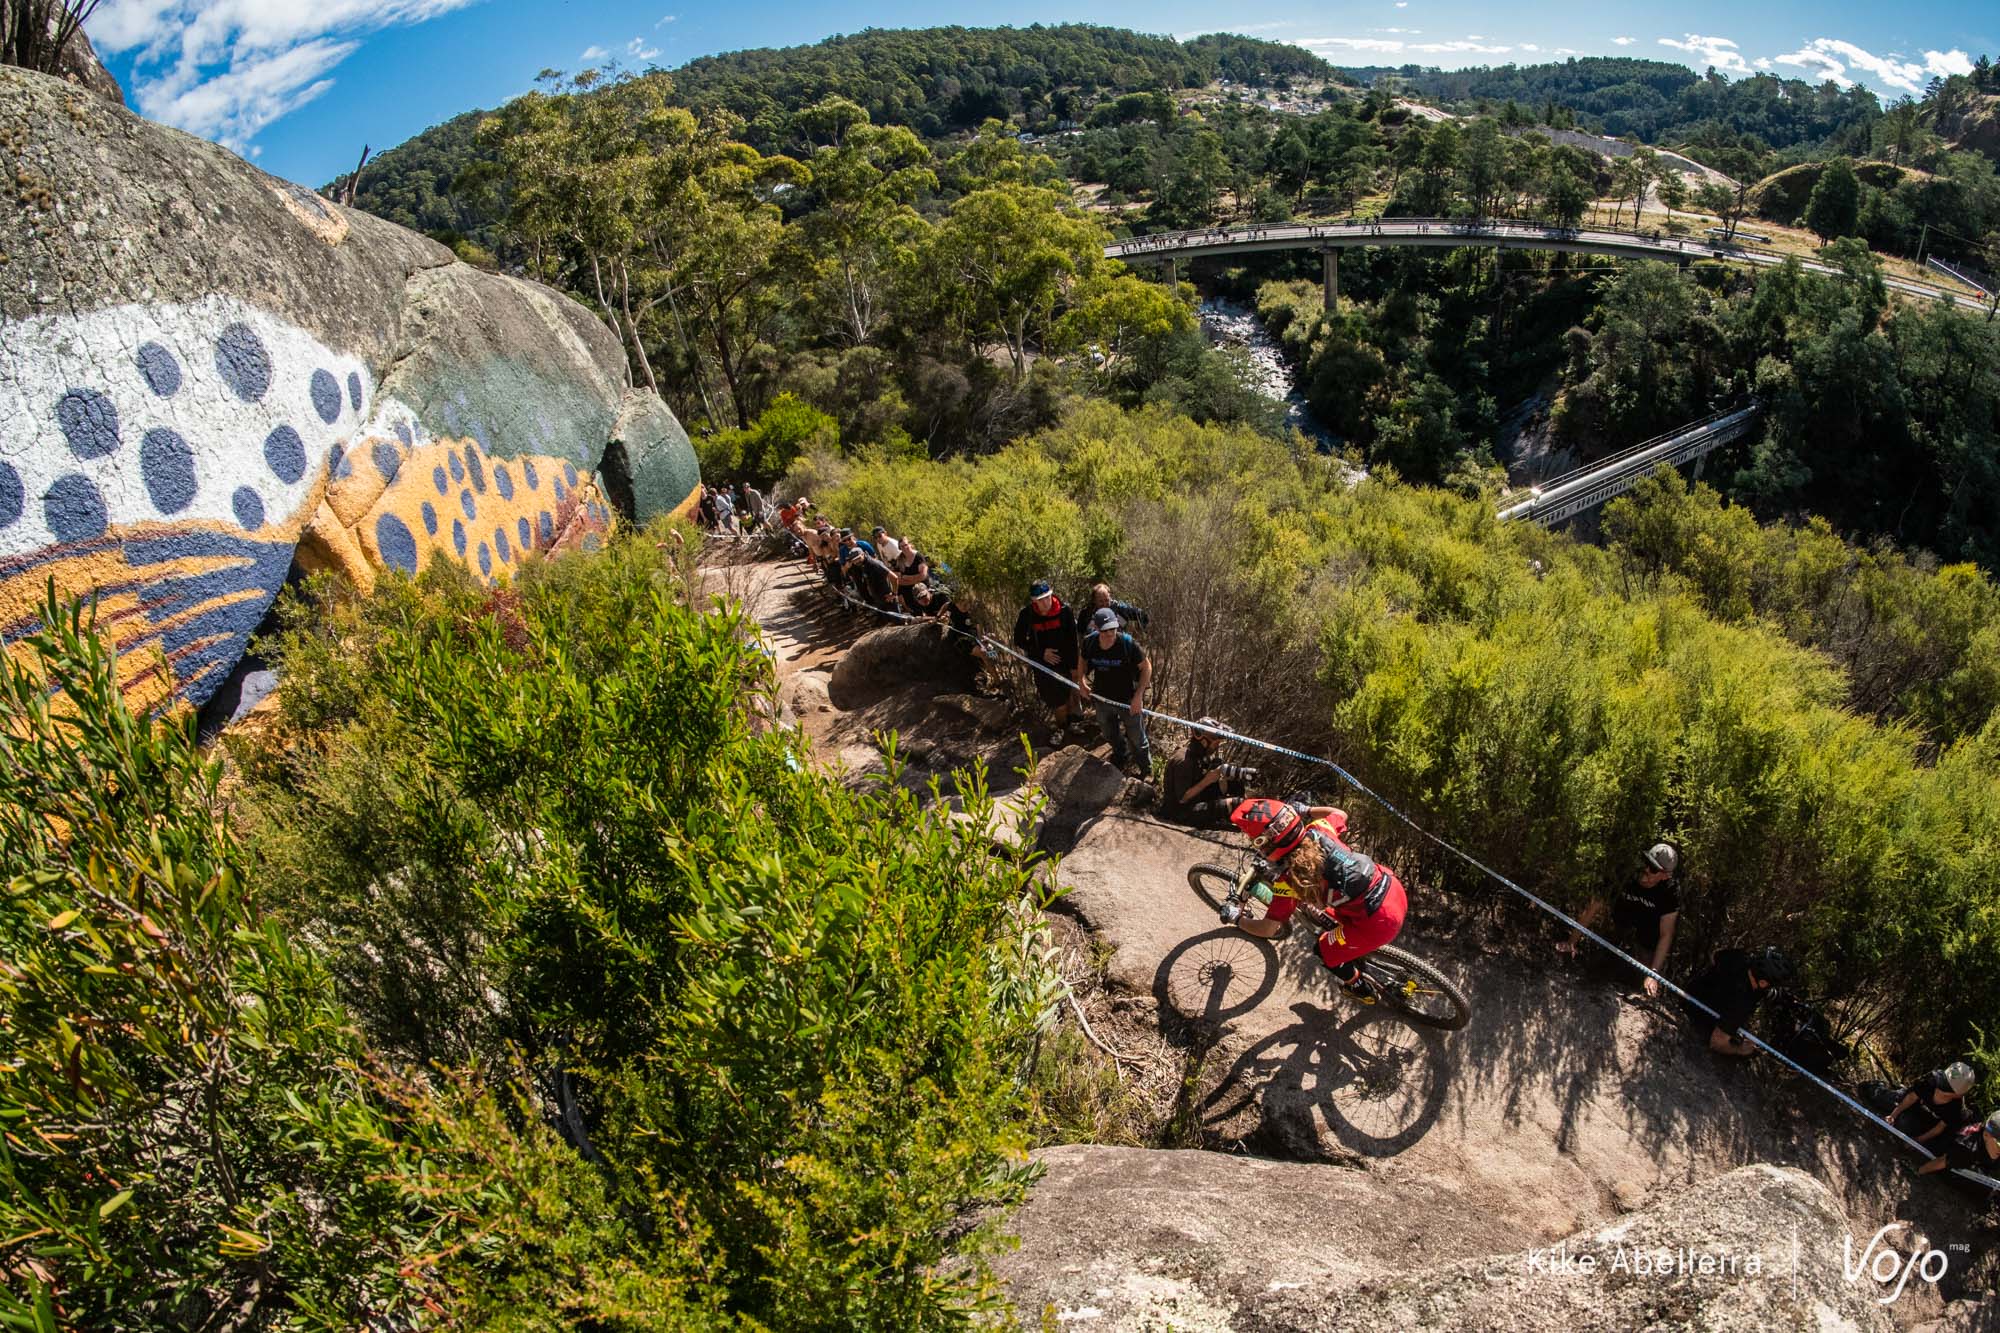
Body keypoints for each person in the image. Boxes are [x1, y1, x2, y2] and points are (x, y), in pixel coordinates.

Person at [1224, 798, 1407, 1002]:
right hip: (1391, 887)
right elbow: (1341, 814)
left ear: (1265, 844)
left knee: (1324, 950)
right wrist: (1307, 809)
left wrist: (1236, 918)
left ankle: (1358, 987)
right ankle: (1351, 946)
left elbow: (1268, 929)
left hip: (1380, 921)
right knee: (1330, 915)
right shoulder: (1319, 829)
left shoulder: (1290, 880)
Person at [1559, 843, 1682, 997]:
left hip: (1647, 937)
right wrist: (1571, 942)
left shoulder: (1670, 891)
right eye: (1646, 862)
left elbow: (1666, 934)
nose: (1646, 869)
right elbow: (1593, 908)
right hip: (1618, 925)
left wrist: (1653, 974)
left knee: (1640, 982)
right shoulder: (1624, 872)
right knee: (1598, 965)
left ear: (1665, 875)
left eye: (1653, 869)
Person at [1076, 607, 1152, 777]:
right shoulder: (1089, 642)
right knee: (1109, 733)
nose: (1110, 633)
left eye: (1113, 628)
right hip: (1102, 698)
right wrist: (1081, 681)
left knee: (1137, 738)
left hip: (1128, 699)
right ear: (1096, 628)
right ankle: (1120, 755)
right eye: (1105, 630)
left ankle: (1146, 770)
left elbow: (1146, 667)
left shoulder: (1127, 643)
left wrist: (1139, 696)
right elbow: (1082, 660)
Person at [1686, 945, 1793, 1056]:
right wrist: (1741, 1049)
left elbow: (1714, 955)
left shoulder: (1740, 956)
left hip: (1693, 989)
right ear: (1762, 983)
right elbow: (1716, 1043)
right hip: (1696, 1016)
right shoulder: (1742, 1004)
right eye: (1771, 986)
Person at [1012, 580, 1081, 744]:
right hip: (1042, 665)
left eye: (1048, 597)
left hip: (1065, 662)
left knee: (1069, 694)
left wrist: (1074, 666)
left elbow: (1073, 640)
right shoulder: (1027, 615)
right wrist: (1041, 652)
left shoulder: (1064, 611)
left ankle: (1073, 723)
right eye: (1041, 600)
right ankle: (1061, 728)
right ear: (1033, 601)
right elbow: (1019, 640)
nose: (1046, 602)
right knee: (1056, 701)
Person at [1160, 720, 1258, 829]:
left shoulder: (1198, 756)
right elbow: (1183, 798)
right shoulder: (1184, 761)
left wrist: (1224, 777)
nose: (1216, 747)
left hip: (1197, 797)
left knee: (1235, 784)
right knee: (1236, 803)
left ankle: (1228, 816)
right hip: (1181, 812)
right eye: (1215, 744)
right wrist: (1208, 780)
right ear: (1203, 742)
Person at [1887, 1063, 1977, 1148]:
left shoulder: (1955, 1109)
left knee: (1906, 1123)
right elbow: (1911, 1097)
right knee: (1887, 1099)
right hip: (1910, 1106)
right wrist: (1893, 1115)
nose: (1940, 1087)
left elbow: (1939, 1127)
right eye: (1943, 1081)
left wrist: (1917, 1141)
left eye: (1946, 1087)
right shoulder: (1931, 1080)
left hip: (1924, 1123)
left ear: (1958, 1095)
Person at [1917, 1109, 2000, 1178]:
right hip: (1946, 1148)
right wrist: (1919, 1171)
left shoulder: (1991, 1142)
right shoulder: (1966, 1148)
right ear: (1986, 1135)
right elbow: (1942, 1161)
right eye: (1999, 1144)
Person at [1083, 581, 1149, 633]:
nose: (1104, 604)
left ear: (1110, 598)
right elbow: (1080, 634)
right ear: (1094, 600)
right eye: (1101, 601)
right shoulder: (1087, 613)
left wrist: (1140, 631)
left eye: (1106, 600)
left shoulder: (1120, 608)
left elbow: (1142, 614)